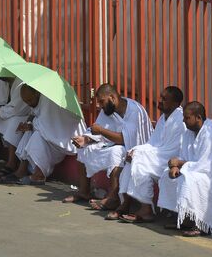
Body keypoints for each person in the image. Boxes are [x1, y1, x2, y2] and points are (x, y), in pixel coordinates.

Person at [63, 83, 153, 212]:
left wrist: (101, 131)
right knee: (85, 149)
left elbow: (124, 139)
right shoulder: (108, 110)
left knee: (116, 152)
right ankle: (84, 191)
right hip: (114, 144)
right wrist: (85, 139)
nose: (100, 105)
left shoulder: (134, 111)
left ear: (112, 97)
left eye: (101, 101)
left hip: (135, 148)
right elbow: (98, 131)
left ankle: (113, 198)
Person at [116, 86, 186, 223]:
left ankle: (145, 208)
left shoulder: (180, 120)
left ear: (176, 103)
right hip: (158, 156)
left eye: (164, 99)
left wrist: (139, 153)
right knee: (134, 161)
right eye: (161, 97)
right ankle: (132, 204)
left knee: (139, 160)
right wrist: (135, 150)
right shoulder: (163, 118)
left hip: (169, 158)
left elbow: (172, 149)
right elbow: (153, 143)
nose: (160, 101)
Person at [0, 84, 87, 185]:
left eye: (30, 101)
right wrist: (28, 124)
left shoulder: (48, 99)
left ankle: (38, 175)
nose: (29, 104)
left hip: (66, 138)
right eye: (26, 102)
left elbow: (46, 123)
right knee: (31, 132)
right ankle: (21, 170)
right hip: (53, 134)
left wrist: (30, 126)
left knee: (37, 135)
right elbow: (36, 115)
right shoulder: (40, 97)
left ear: (36, 93)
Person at [157, 102, 212, 237]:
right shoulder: (188, 133)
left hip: (211, 177)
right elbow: (183, 155)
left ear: (198, 117)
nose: (183, 121)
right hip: (194, 170)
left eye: (186, 118)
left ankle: (201, 224)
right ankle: (183, 219)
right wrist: (175, 166)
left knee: (189, 179)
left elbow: (206, 166)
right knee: (167, 176)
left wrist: (180, 163)